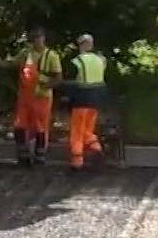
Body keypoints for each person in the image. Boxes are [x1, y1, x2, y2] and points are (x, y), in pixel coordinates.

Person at [12, 27, 61, 165]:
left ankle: (40, 155)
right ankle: (23, 154)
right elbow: (12, 64)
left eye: (38, 38)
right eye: (33, 39)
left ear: (43, 38)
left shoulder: (51, 56)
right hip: (25, 96)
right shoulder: (26, 53)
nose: (36, 42)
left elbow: (57, 78)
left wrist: (44, 87)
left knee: (41, 127)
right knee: (20, 125)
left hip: (42, 96)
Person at [65, 34, 109, 172]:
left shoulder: (78, 61)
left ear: (82, 45)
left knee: (77, 131)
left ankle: (77, 162)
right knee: (87, 130)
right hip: (95, 101)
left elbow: (73, 81)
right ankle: (96, 149)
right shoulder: (100, 60)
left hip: (81, 100)